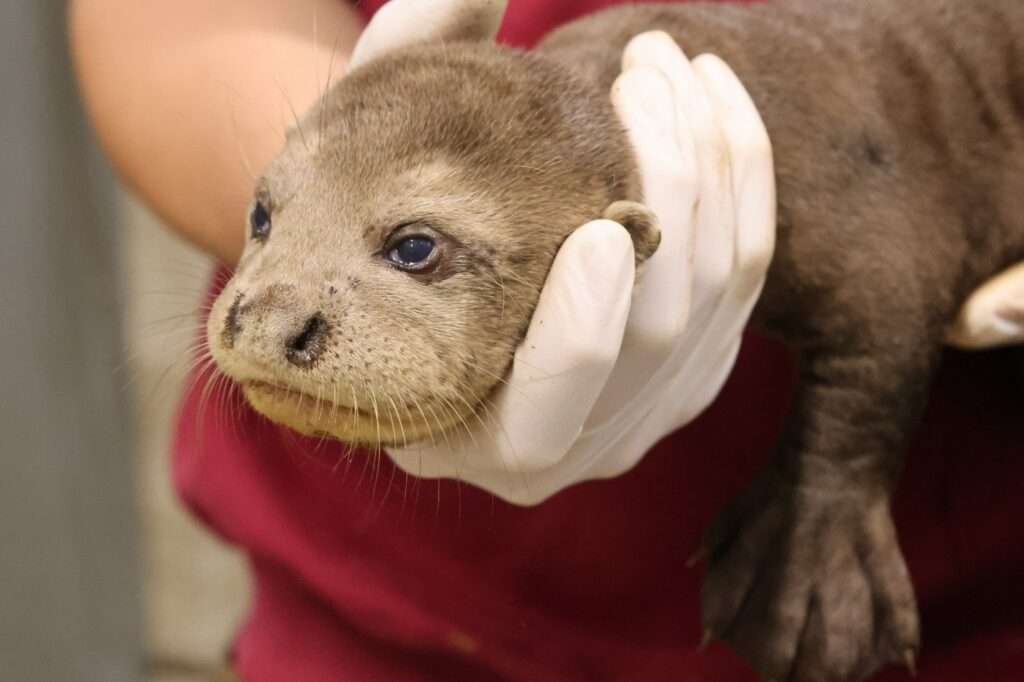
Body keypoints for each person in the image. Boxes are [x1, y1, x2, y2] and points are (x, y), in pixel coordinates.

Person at [71, 1, 1024, 680]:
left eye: (414, 252)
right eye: (268, 218)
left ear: (623, 233)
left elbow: (888, 281)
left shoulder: (814, 196)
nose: (262, 320)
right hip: (369, 622)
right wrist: (358, 122)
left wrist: (829, 497)